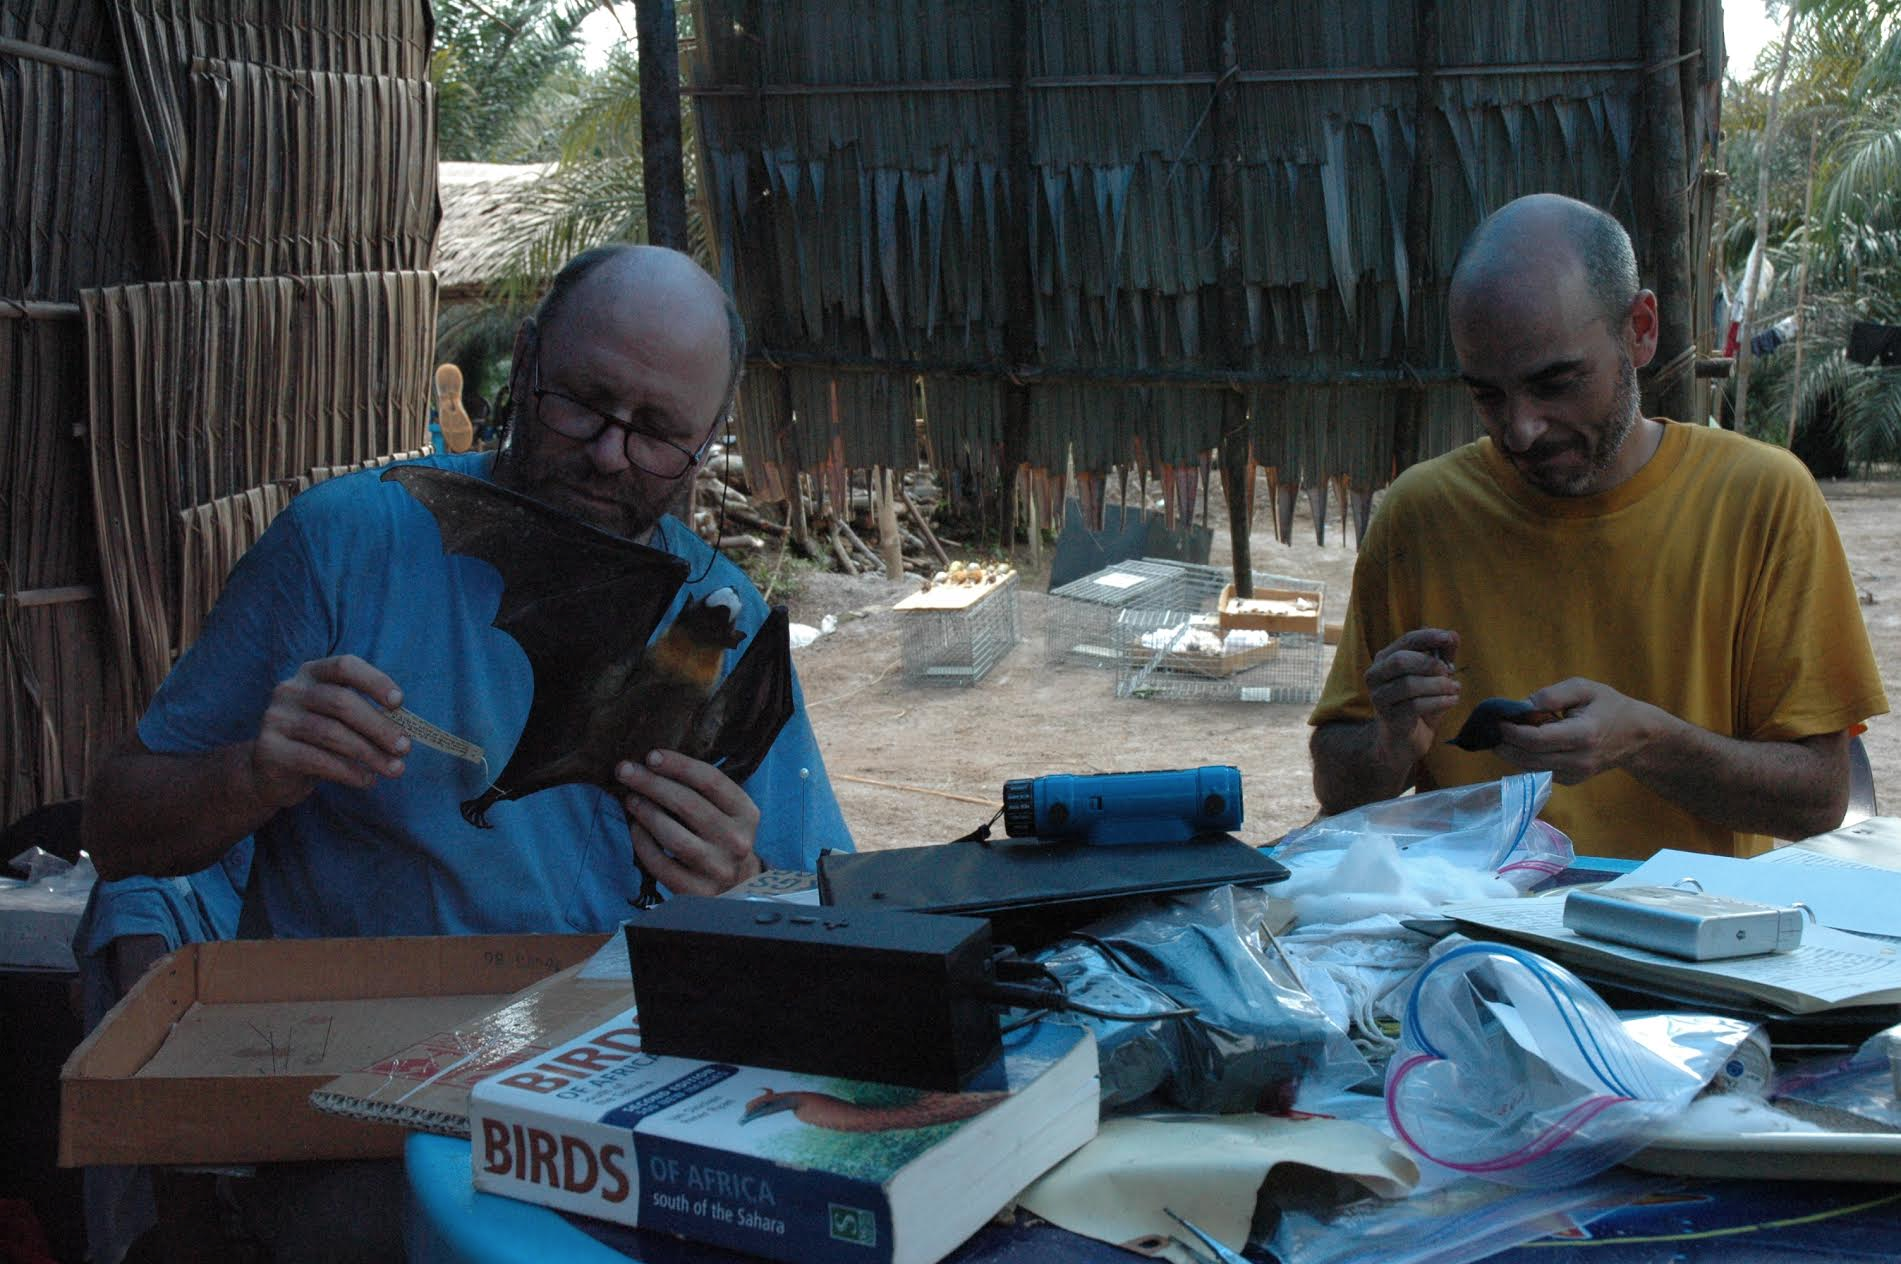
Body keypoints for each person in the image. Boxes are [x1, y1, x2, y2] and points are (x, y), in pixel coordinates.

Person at [82, 242, 852, 935]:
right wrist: (253, 774)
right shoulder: (349, 543)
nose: (611, 455)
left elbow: (825, 909)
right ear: (525, 364)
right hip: (355, 1037)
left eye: (657, 432)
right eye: (584, 403)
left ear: (706, 437)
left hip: (602, 1048)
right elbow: (116, 836)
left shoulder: (720, 617)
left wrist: (742, 883)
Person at [1308, 193, 1886, 861]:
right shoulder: (1420, 513)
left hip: (1686, 944)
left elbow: (1820, 801)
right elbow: (1338, 791)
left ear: (1639, 330)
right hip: (1475, 936)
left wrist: (1647, 742)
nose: (1519, 429)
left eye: (1555, 382)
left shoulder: (1759, 499)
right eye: (1486, 395)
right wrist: (1389, 740)